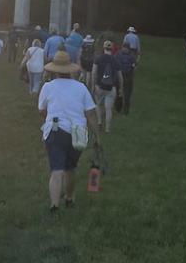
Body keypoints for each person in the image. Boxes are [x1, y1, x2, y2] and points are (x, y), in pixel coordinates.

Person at [38, 50, 99, 212]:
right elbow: (91, 113)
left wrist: (49, 118)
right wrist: (97, 136)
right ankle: (70, 199)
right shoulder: (81, 88)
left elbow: (42, 110)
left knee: (56, 169)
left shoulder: (48, 87)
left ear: (54, 70)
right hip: (77, 132)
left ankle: (54, 205)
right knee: (70, 168)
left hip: (55, 130)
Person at [92, 40, 123, 132]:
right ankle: (107, 129)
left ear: (104, 48)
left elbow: (94, 73)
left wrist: (93, 85)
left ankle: (99, 123)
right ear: (112, 49)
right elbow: (120, 77)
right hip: (111, 88)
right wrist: (120, 88)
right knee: (108, 108)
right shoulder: (116, 61)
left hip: (99, 86)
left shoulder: (98, 58)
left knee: (98, 104)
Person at [114, 43, 136, 114]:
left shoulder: (118, 54)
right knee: (125, 94)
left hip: (121, 76)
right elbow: (134, 67)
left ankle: (118, 109)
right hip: (127, 77)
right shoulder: (132, 56)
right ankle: (124, 111)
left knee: (120, 93)